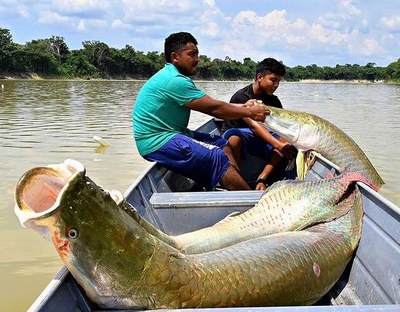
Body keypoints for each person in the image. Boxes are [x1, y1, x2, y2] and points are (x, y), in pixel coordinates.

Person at [132, 32, 269, 191]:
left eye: (197, 54)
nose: (197, 59)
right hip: (156, 141)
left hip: (175, 133)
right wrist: (250, 112)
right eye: (192, 54)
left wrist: (244, 107)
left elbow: (214, 104)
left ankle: (234, 185)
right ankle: (251, 201)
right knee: (216, 156)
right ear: (175, 57)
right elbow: (214, 109)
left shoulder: (174, 77)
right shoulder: (175, 81)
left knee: (221, 143)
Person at [222, 58, 297, 190]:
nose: (276, 85)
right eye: (273, 80)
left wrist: (285, 143)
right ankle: (238, 182)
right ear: (260, 77)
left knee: (285, 139)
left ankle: (262, 178)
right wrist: (278, 145)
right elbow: (254, 126)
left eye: (279, 81)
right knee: (233, 140)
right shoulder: (242, 97)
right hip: (241, 138)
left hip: (259, 140)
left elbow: (282, 127)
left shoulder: (274, 101)